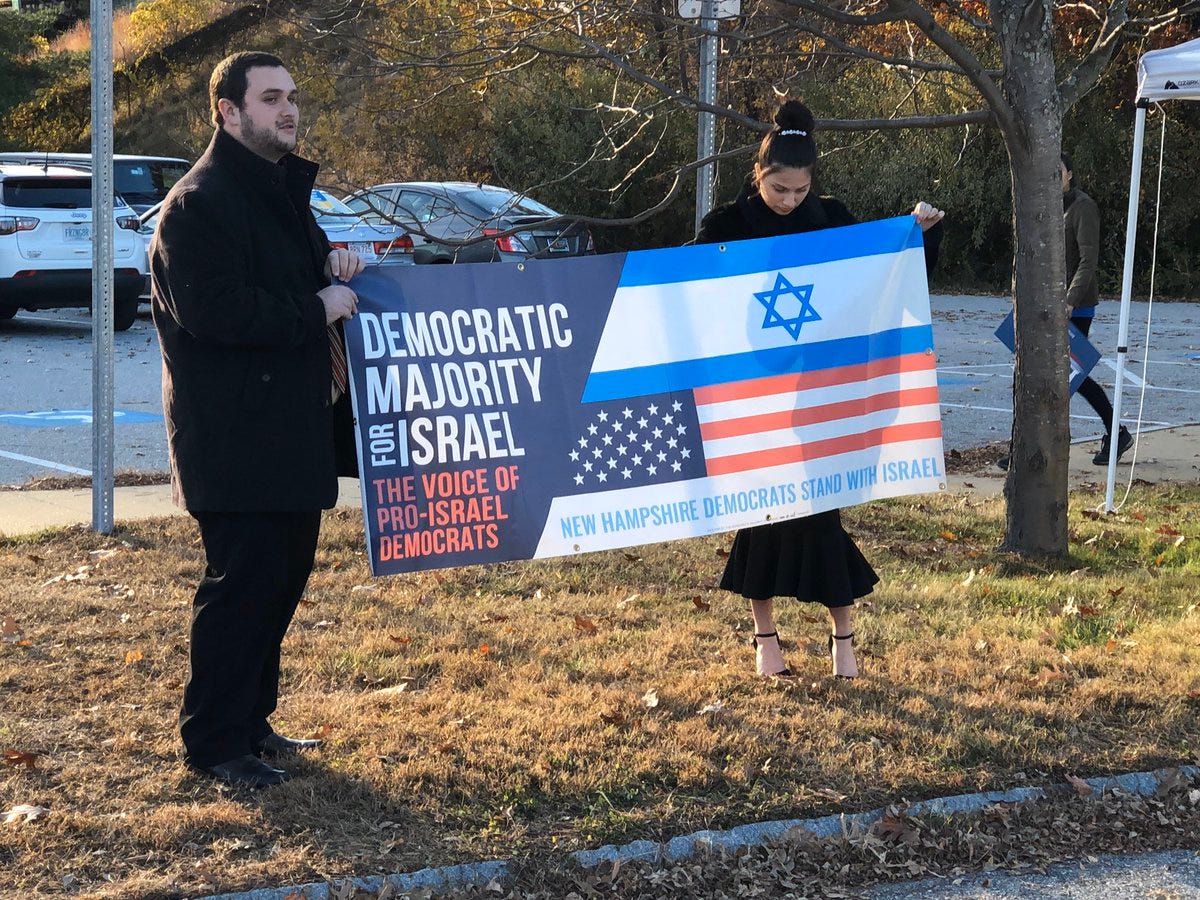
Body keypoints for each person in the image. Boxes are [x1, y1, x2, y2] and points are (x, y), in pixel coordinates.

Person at [151, 51, 364, 788]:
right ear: (229, 111)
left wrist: (332, 264)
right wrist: (316, 306)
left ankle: (250, 724)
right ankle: (214, 743)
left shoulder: (278, 190)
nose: (289, 110)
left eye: (292, 96)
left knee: (280, 582)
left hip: (290, 430)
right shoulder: (198, 203)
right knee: (241, 587)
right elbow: (214, 311)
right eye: (271, 98)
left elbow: (288, 277)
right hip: (233, 437)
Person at [694, 99, 944, 679]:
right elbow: (686, 294)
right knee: (760, 515)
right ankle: (766, 642)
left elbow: (885, 275)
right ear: (758, 174)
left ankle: (843, 642)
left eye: (799, 190)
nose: (788, 200)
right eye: (778, 188)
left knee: (820, 513)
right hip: (754, 395)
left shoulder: (832, 218)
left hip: (820, 392)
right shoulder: (723, 227)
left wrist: (917, 234)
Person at [998, 153, 1132, 470]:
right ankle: (1115, 433)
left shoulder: (1083, 207)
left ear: (1069, 174)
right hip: (1045, 304)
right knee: (1060, 376)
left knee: (1066, 376)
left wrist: (1070, 300)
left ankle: (1029, 448)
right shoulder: (1045, 206)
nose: (1053, 176)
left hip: (1076, 307)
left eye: (1058, 171)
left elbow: (1088, 260)